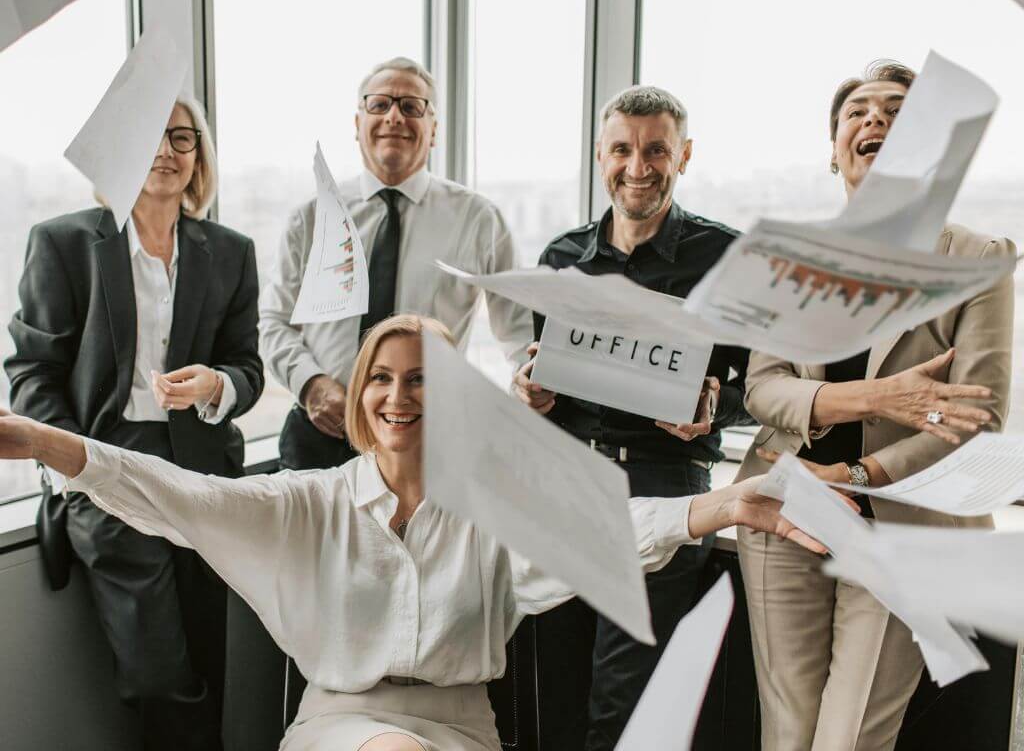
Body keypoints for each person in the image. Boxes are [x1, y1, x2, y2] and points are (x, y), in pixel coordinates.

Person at [0, 314, 827, 751]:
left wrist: (721, 505)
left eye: (425, 381)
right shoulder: (308, 504)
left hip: (463, 729)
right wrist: (42, 442)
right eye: (383, 381)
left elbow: (612, 527)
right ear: (360, 398)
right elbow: (175, 493)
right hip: (338, 729)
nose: (399, 398)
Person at [734, 60, 1015, 751]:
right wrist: (868, 399)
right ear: (834, 150)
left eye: (897, 111)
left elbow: (977, 417)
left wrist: (859, 476)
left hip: (903, 523)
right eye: (856, 112)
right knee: (788, 730)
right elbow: (762, 388)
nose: (874, 120)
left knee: (850, 736)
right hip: (784, 510)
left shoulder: (978, 260)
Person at [4, 95, 263, 750]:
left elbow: (248, 368)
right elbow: (33, 371)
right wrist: (77, 467)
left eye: (181, 138)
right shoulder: (64, 243)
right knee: (157, 673)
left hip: (205, 475)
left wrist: (216, 385)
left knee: (207, 655)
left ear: (198, 157)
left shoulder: (230, 252)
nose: (166, 151)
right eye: (148, 135)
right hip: (108, 470)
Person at [513, 85, 754, 751]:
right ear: (600, 155)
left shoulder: (725, 259)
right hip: (565, 484)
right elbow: (544, 381)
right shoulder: (561, 259)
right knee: (554, 691)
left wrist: (713, 410)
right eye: (622, 149)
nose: (638, 166)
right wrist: (530, 391)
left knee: (624, 707)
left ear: (685, 155)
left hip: (664, 483)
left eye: (656, 150)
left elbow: (755, 389)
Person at [260, 56, 532, 472]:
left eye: (411, 106)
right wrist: (312, 386)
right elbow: (273, 322)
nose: (394, 116)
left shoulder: (478, 219)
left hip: (429, 436)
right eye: (379, 104)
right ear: (357, 124)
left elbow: (517, 333)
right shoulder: (311, 218)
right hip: (321, 435)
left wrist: (525, 395)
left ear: (434, 129)